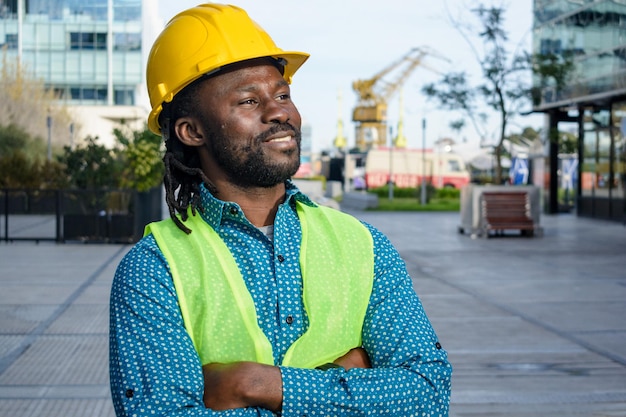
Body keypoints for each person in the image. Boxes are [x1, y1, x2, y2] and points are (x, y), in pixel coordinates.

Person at [109, 3, 452, 416]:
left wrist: (253, 384)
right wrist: (347, 382)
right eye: (250, 101)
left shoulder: (364, 246)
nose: (280, 112)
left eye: (283, 94)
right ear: (192, 130)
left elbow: (428, 395)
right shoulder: (154, 270)